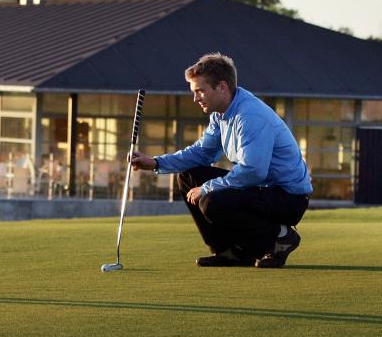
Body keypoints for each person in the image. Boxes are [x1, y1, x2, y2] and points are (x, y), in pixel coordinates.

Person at [130, 52, 312, 268]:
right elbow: (202, 153)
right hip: (261, 190)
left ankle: (281, 237)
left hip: (287, 198)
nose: (196, 98)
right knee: (189, 176)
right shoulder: (220, 114)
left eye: (200, 91)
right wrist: (156, 163)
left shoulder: (249, 116)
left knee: (211, 200)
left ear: (222, 87)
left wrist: (207, 187)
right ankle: (229, 252)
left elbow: (253, 171)